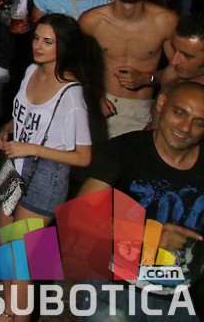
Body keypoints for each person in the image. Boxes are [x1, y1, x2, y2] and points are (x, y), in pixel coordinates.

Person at [0, 14, 94, 322]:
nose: (38, 46)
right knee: (5, 245)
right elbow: (25, 114)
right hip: (15, 165)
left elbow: (84, 156)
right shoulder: (30, 70)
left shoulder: (72, 95)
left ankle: (19, 317)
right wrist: (9, 127)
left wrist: (32, 148)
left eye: (48, 42)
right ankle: (8, 312)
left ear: (65, 47)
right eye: (37, 38)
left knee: (22, 260)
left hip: (46, 176)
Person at [76, 82, 204, 320]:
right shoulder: (125, 151)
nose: (186, 127)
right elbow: (80, 215)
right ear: (162, 103)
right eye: (180, 113)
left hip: (180, 297)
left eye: (199, 122)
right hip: (114, 288)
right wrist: (150, 235)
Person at [80, 0, 178, 137]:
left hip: (138, 111)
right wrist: (92, 94)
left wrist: (149, 78)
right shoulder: (91, 21)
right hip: (98, 103)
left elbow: (181, 69)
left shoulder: (166, 21)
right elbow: (73, 63)